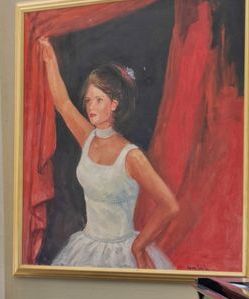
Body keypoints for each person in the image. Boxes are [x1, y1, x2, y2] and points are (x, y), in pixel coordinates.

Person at [36, 37, 179, 269]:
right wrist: (50, 58)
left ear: (114, 104)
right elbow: (62, 103)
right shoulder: (88, 137)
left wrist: (139, 245)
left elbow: (169, 205)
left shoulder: (132, 157)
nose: (91, 107)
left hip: (122, 252)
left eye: (98, 100)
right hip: (86, 247)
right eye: (88, 100)